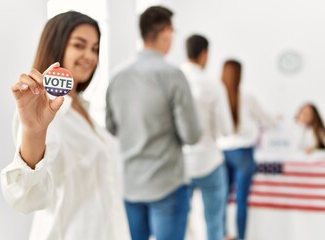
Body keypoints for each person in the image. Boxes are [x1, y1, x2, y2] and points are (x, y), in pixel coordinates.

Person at [0, 11, 130, 240]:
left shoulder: (83, 109)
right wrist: (33, 131)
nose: (89, 56)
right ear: (57, 46)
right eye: (79, 45)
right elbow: (27, 197)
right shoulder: (46, 114)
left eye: (95, 48)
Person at [105, 6, 201, 240]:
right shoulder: (172, 75)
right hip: (166, 183)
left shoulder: (118, 76)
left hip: (131, 184)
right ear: (166, 31)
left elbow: (111, 127)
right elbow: (191, 135)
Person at [217, 60, 277, 240]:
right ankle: (241, 237)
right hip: (243, 153)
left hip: (222, 152)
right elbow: (269, 121)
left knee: (221, 199)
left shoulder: (218, 98)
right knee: (241, 200)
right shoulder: (248, 98)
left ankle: (223, 235)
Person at [180, 34, 228, 240]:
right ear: (204, 54)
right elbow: (224, 130)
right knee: (214, 221)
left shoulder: (174, 79)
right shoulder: (212, 84)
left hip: (180, 164)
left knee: (180, 221)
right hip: (209, 161)